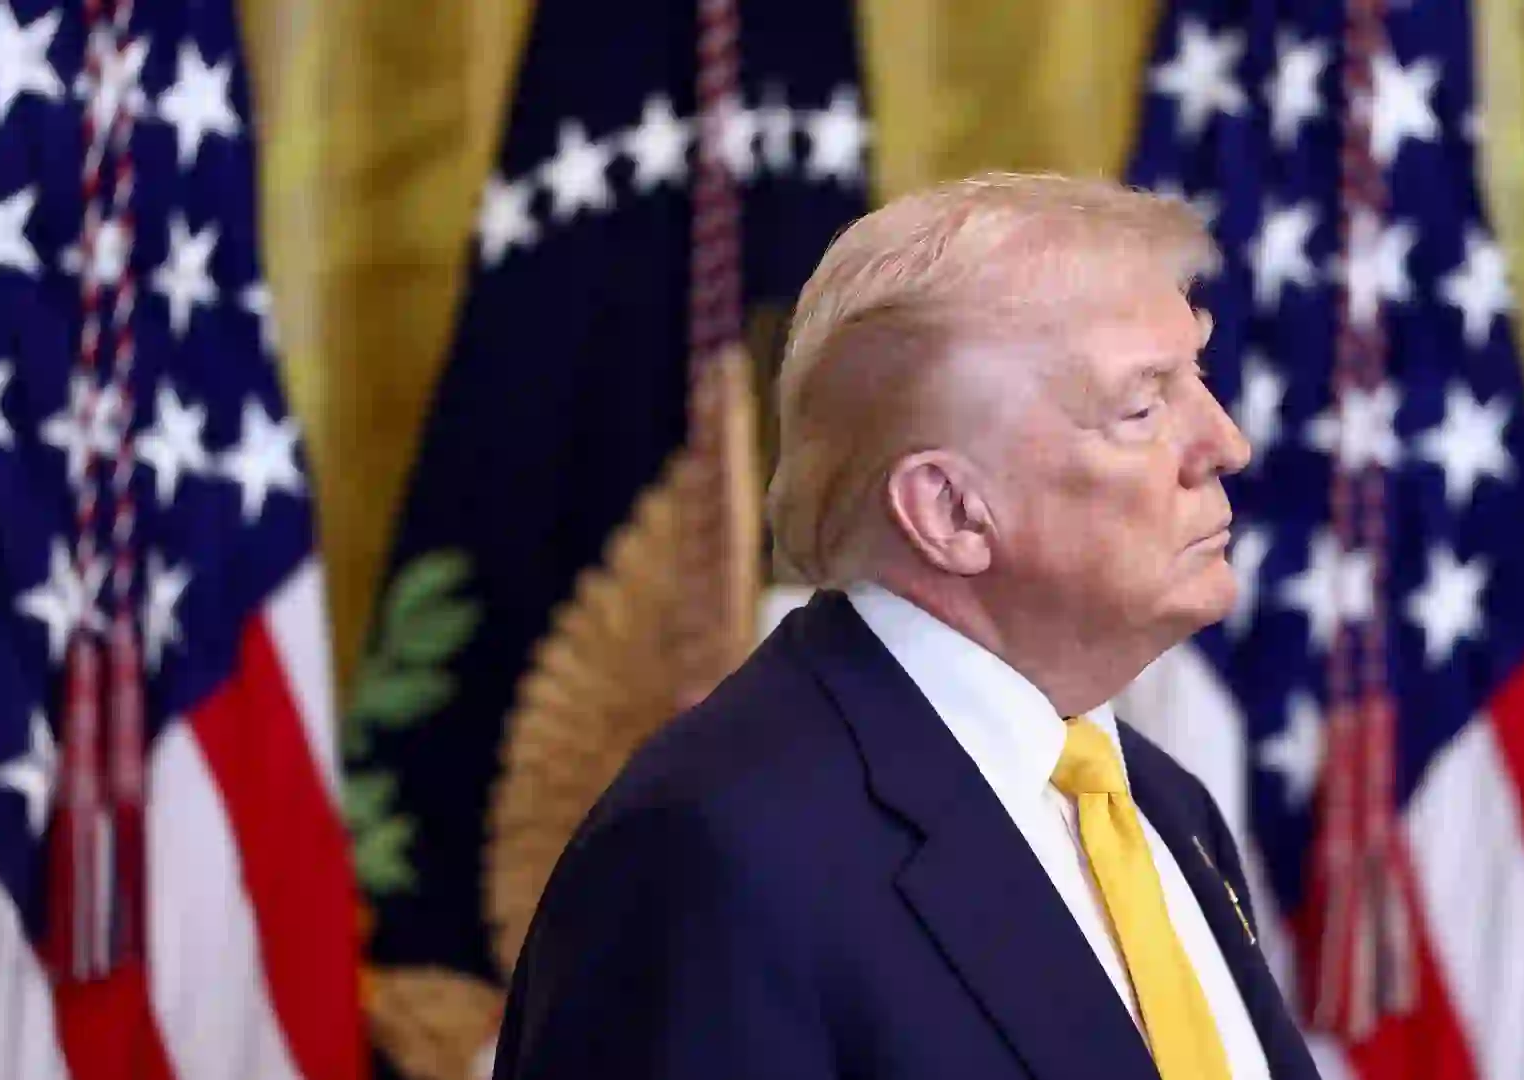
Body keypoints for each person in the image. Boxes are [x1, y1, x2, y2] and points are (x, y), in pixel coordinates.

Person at [491, 173, 1321, 1080]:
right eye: (1142, 405)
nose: (1226, 443)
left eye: (1196, 375)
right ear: (952, 513)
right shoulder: (712, 853)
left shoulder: (1159, 805)